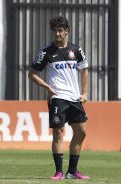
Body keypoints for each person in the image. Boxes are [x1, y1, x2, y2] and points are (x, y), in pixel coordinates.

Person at [28, 16, 90, 180]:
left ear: (66, 31)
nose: (57, 33)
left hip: (74, 98)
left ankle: (72, 171)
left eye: (60, 30)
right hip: (57, 98)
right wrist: (47, 87)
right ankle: (58, 172)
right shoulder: (45, 53)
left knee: (81, 133)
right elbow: (32, 74)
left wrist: (84, 93)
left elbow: (84, 71)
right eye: (55, 30)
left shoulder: (76, 50)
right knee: (58, 133)